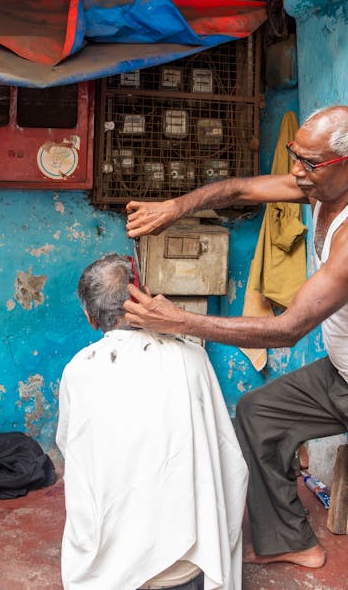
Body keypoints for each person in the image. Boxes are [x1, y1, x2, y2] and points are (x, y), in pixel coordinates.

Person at [123, 106, 348, 590]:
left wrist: (176, 320)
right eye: (295, 157)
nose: (296, 173)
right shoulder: (317, 187)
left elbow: (287, 329)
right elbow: (240, 189)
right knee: (259, 414)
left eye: (310, 164)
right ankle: (289, 538)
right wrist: (174, 207)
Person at [56, 253, 248, 590]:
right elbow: (229, 460)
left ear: (91, 318)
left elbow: (71, 452)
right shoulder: (193, 359)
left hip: (108, 574)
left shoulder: (78, 371)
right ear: (144, 300)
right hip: (188, 566)